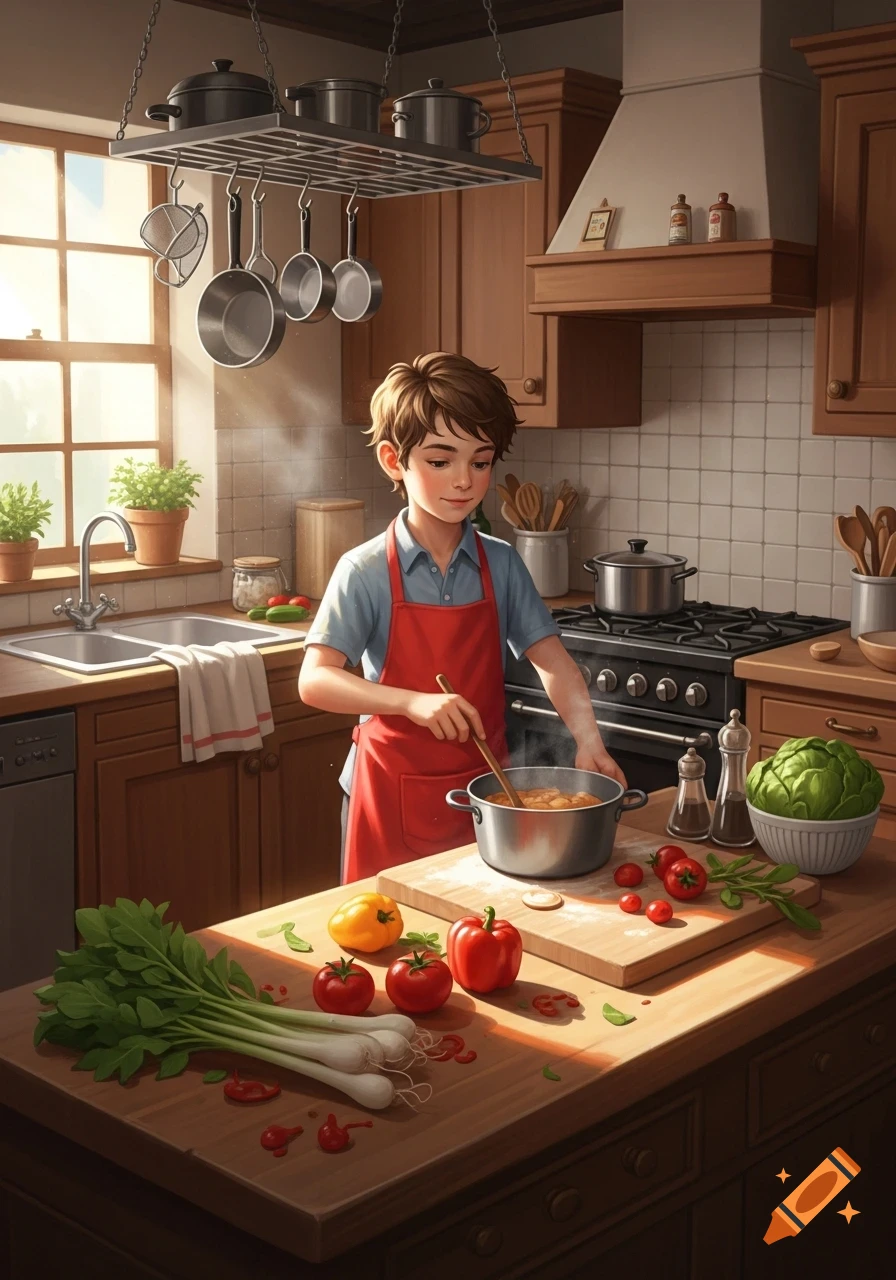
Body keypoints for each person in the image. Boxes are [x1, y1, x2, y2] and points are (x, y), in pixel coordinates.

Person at [298, 352, 626, 882]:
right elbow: (314, 682)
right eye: (439, 460)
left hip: (487, 795)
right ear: (392, 461)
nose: (463, 481)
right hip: (384, 792)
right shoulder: (363, 571)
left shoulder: (501, 563)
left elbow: (555, 665)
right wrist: (411, 702)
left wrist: (589, 741)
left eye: (479, 461)